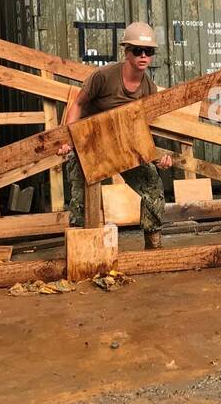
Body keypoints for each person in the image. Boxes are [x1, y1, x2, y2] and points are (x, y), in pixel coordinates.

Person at [56, 21, 172, 250]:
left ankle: (153, 244)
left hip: (124, 144)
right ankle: (82, 249)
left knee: (153, 185)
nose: (143, 56)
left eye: (148, 52)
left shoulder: (149, 88)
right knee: (81, 202)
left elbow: (143, 128)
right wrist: (67, 140)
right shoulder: (104, 76)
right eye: (137, 51)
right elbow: (78, 104)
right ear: (126, 51)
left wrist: (159, 157)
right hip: (91, 143)